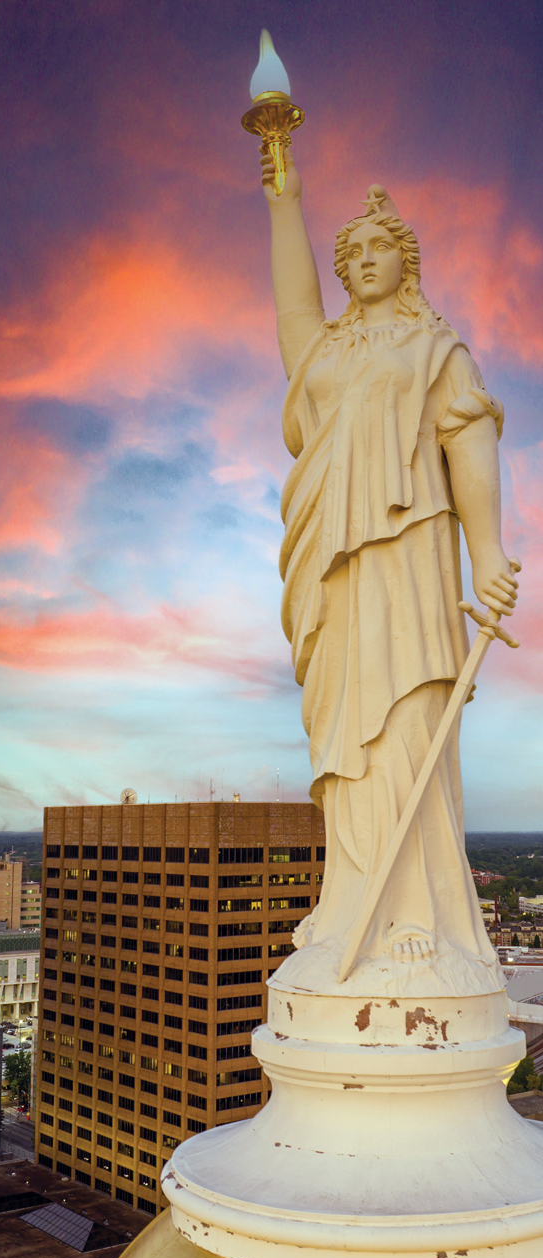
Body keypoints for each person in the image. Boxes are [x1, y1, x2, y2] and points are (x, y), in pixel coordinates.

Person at [259, 144, 518, 994]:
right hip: (330, 564)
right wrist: (284, 202)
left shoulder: (434, 349)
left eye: (379, 247)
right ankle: (350, 902)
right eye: (352, 253)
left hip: (409, 555)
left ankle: (420, 914)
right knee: (342, 742)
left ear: (406, 259)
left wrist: (487, 556)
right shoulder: (325, 352)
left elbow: (470, 442)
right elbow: (292, 303)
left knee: (405, 721)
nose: (364, 260)